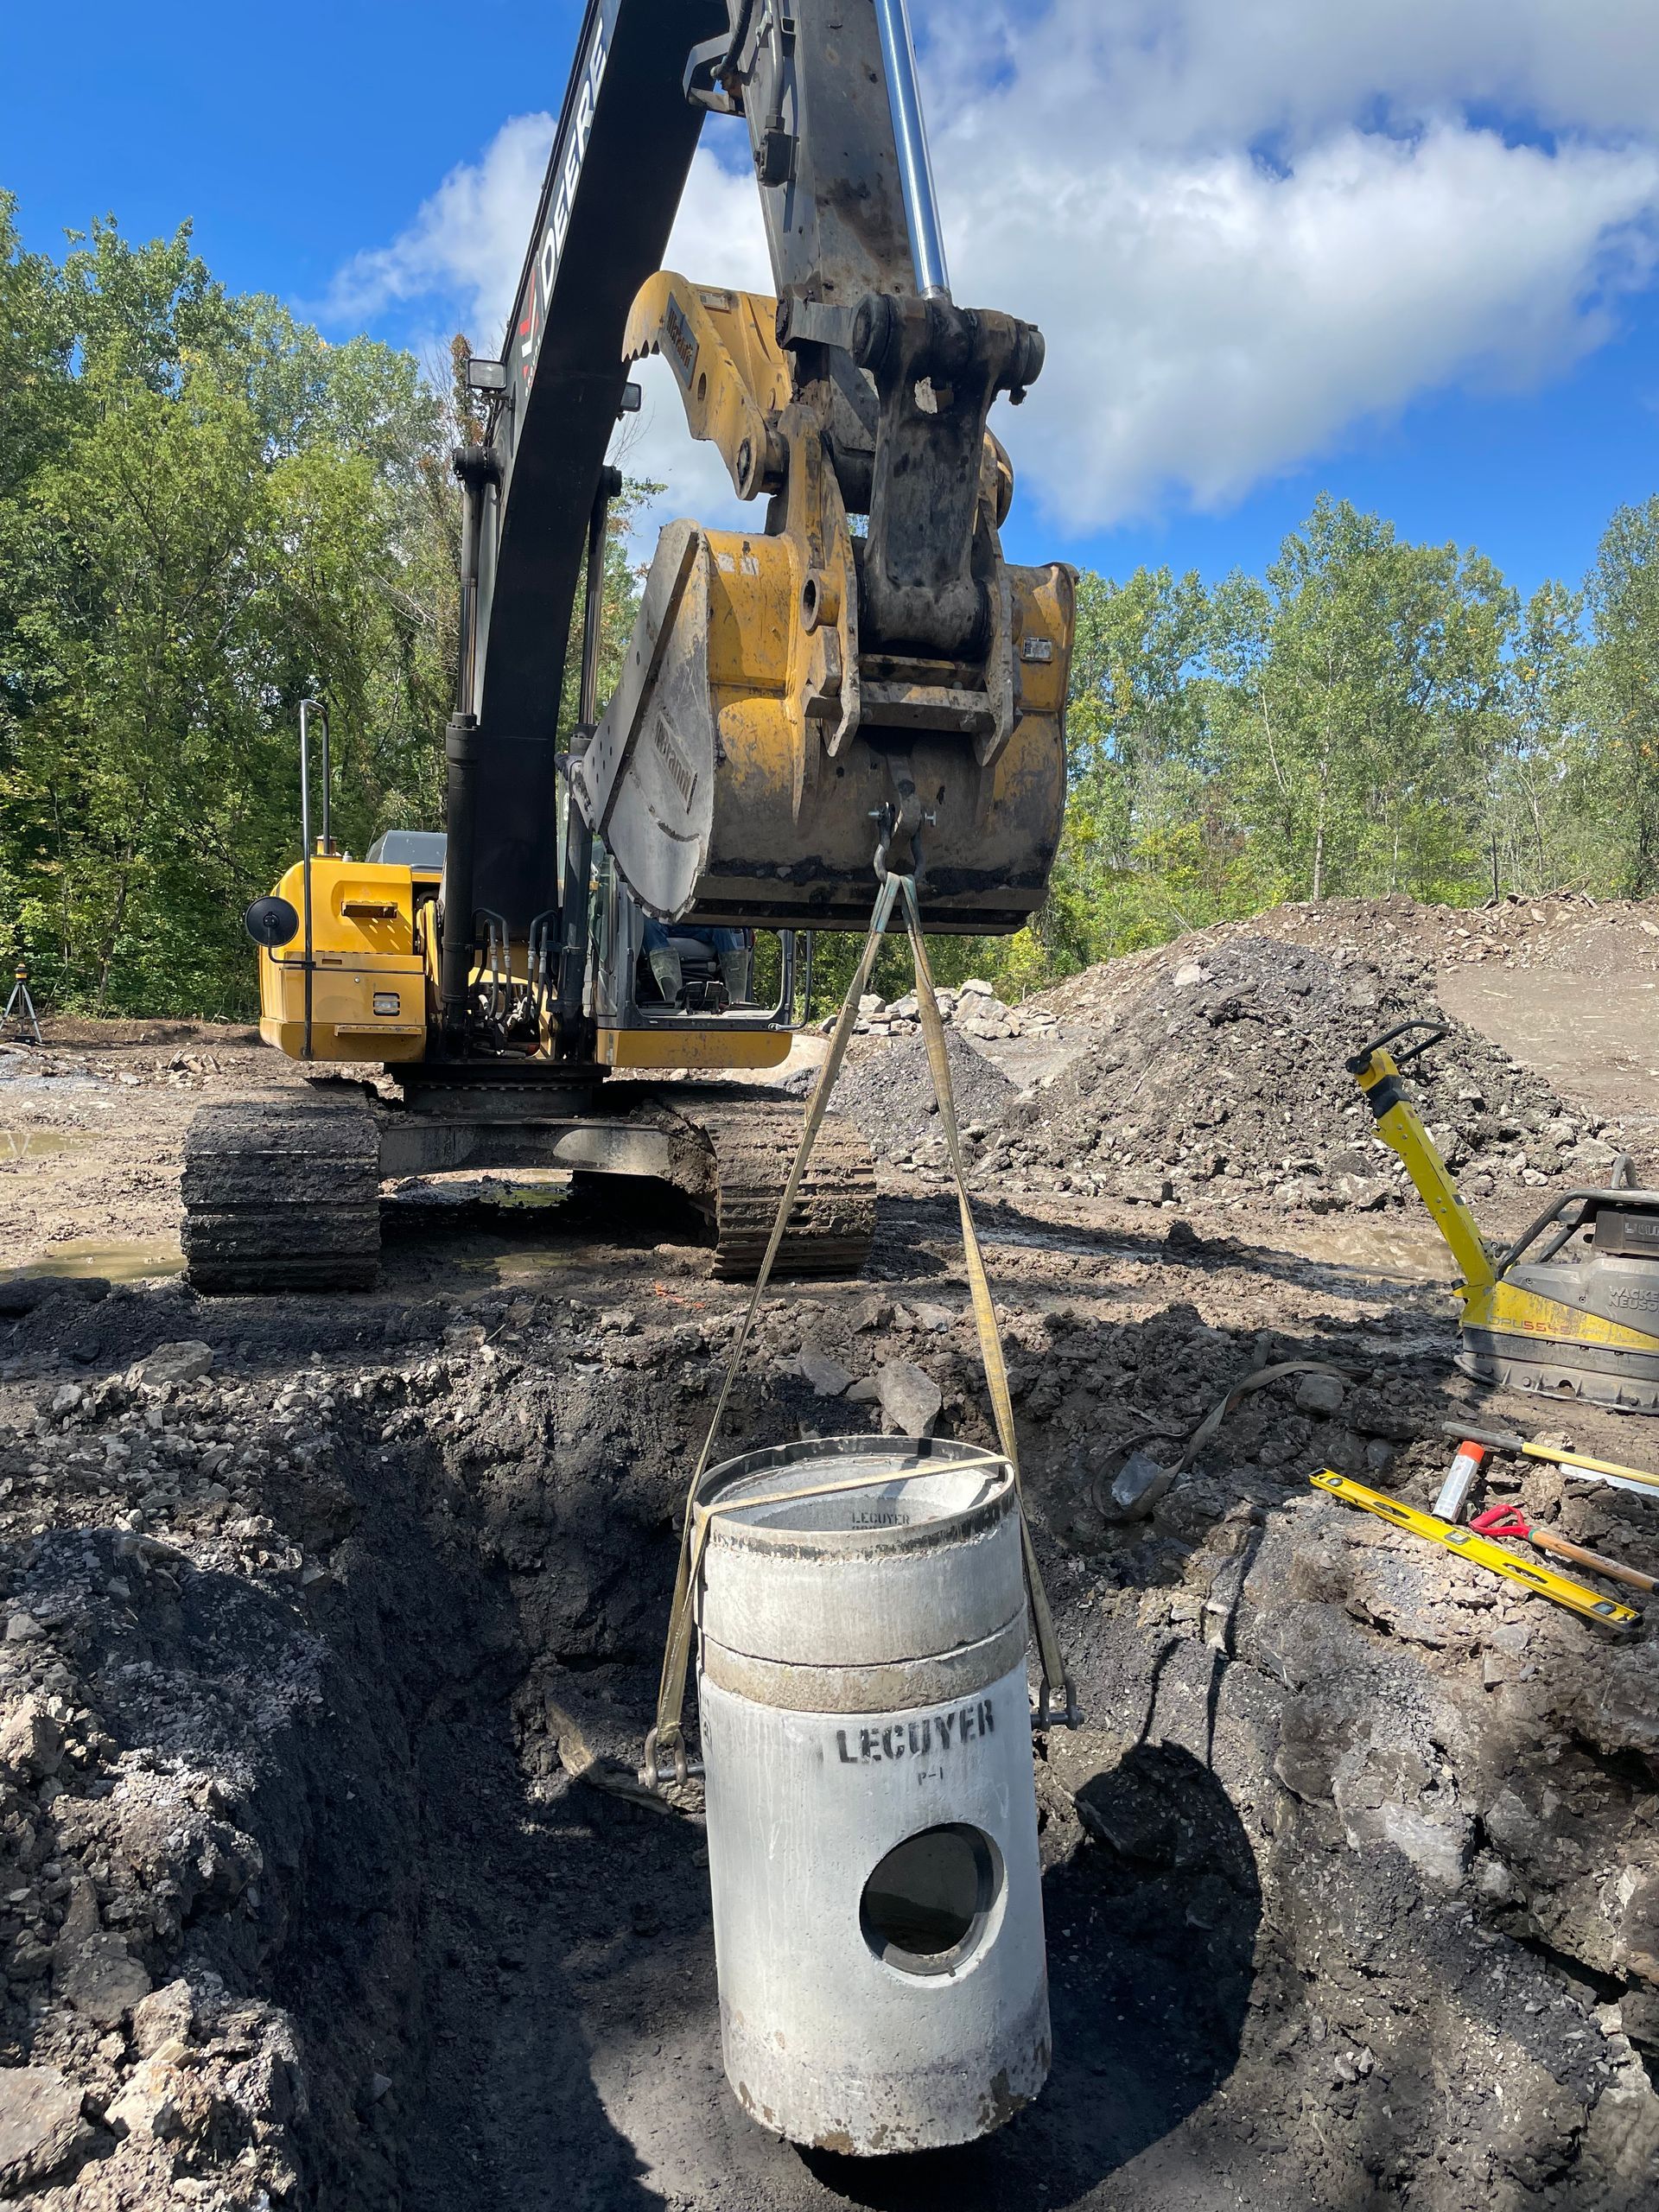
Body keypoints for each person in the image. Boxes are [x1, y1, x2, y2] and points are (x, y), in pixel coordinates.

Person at [640, 918, 751, 1007]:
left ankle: (737, 1001)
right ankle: (674, 998)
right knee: (649, 925)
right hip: (660, 921)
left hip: (688, 921)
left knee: (721, 926)